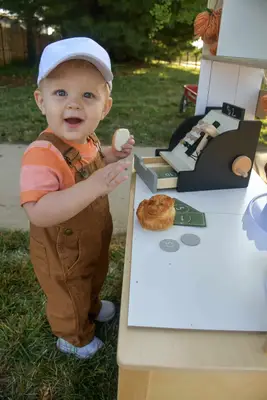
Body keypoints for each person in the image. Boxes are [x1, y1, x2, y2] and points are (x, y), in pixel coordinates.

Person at [19, 37, 135, 359]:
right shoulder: (41, 155)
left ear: (105, 107)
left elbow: (95, 161)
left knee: (94, 273)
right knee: (69, 291)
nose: (73, 104)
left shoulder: (88, 139)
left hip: (91, 239)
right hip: (62, 250)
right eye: (61, 93)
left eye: (88, 95)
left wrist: (113, 154)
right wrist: (94, 186)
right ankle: (72, 336)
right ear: (41, 101)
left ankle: (93, 306)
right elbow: (38, 211)